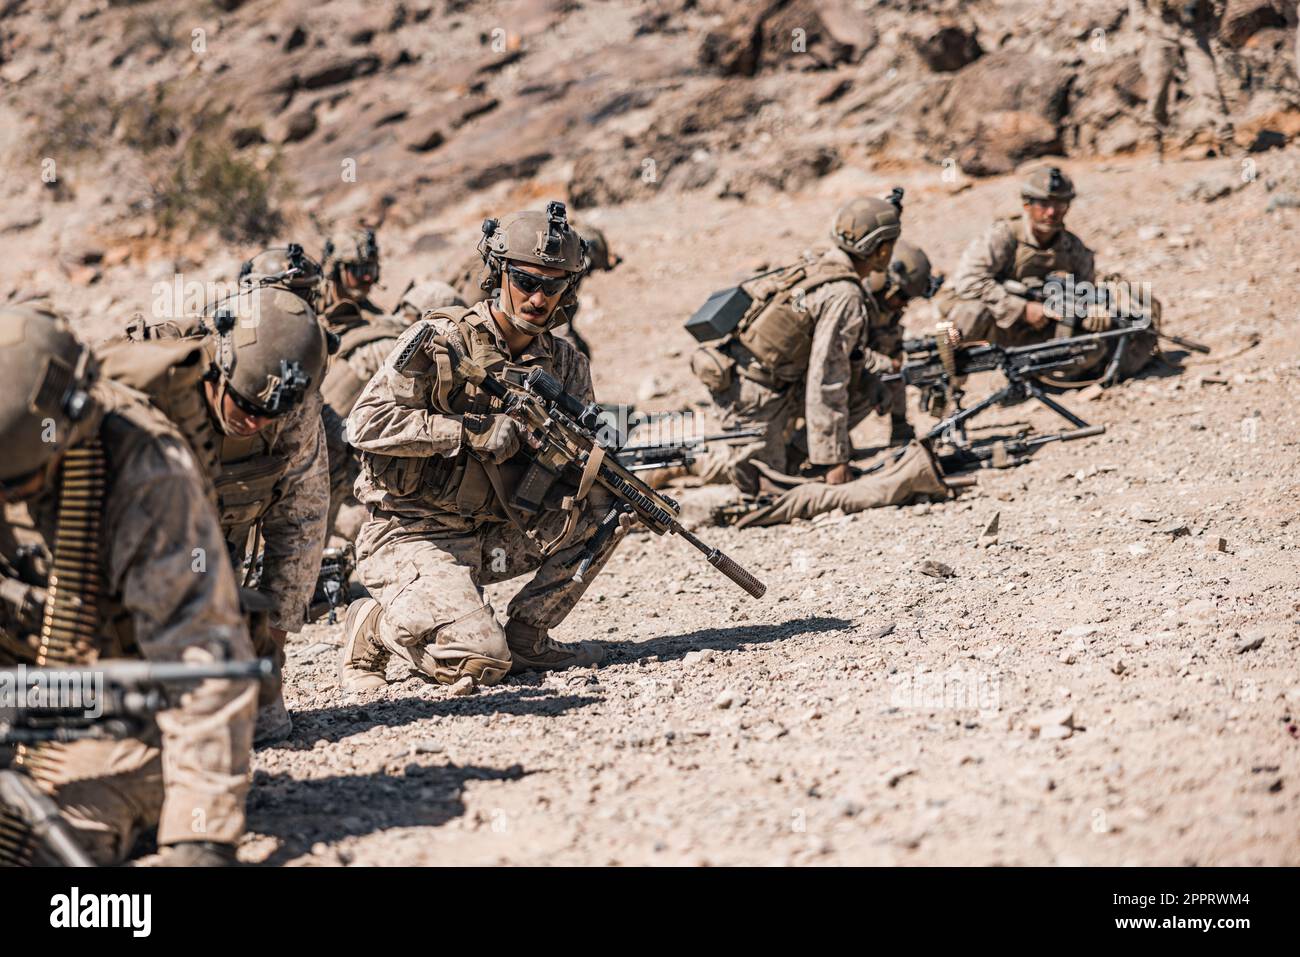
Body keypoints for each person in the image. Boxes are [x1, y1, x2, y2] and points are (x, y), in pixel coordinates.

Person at [0, 302, 256, 865]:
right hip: (16, 690)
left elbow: (200, 655)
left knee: (29, 846)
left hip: (109, 713)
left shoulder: (144, 470)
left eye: (19, 485)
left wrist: (200, 834)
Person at [340, 202, 620, 693]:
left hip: (497, 532)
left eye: (553, 286)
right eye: (526, 281)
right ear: (496, 274)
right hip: (414, 533)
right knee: (481, 662)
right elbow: (363, 424)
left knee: (611, 500)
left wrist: (563, 455)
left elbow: (581, 458)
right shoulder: (439, 341)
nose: (538, 298)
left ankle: (530, 636)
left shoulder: (566, 364)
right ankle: (375, 626)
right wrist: (465, 432)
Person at [96, 286, 330, 744]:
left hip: (207, 582)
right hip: (115, 580)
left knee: (263, 725)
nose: (256, 422)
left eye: (270, 412)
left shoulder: (289, 401)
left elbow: (301, 521)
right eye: (244, 404)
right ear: (218, 366)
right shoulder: (143, 388)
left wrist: (271, 658)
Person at [689, 192, 903, 495]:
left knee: (867, 385)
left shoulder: (819, 262)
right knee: (760, 487)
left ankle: (797, 452)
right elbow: (826, 375)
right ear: (881, 251)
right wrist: (834, 461)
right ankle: (684, 460)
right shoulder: (844, 293)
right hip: (755, 397)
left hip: (778, 384)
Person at [947, 166, 1097, 349]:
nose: (1051, 212)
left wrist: (1093, 312)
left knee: (1094, 344)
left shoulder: (1073, 248)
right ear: (1027, 205)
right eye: (1043, 204)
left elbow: (1087, 291)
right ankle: (950, 374)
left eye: (1059, 204)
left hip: (1040, 330)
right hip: (998, 323)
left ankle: (1044, 375)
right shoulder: (1004, 236)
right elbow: (969, 281)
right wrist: (1022, 309)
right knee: (970, 312)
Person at [1130, 0, 1235, 155]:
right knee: (1157, 91)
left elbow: (1220, 3)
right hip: (1160, 29)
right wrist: (1141, 22)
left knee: (1209, 84)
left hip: (1194, 31)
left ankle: (1226, 139)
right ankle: (1154, 144)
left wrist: (1213, 24)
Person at [864, 240, 943, 445]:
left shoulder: (885, 312)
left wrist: (899, 422)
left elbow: (894, 362)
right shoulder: (854, 302)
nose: (903, 304)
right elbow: (842, 354)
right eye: (902, 296)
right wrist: (885, 366)